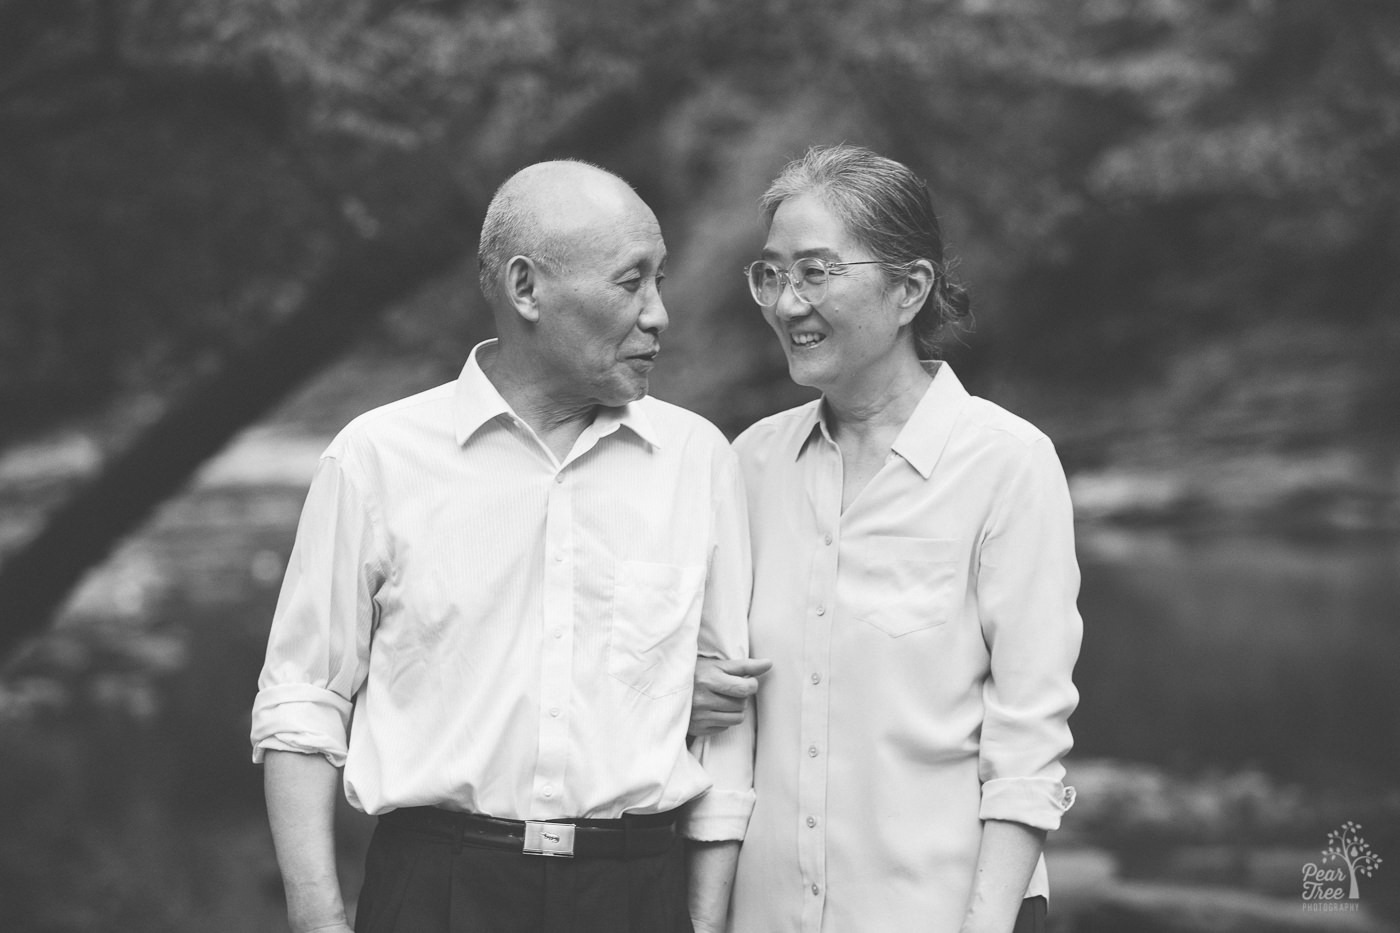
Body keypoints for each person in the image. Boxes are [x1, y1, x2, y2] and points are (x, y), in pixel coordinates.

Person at [251, 160, 754, 933]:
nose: (659, 314)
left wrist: (704, 921)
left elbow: (725, 730)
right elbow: (301, 700)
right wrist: (318, 918)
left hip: (636, 894)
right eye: (631, 282)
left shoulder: (699, 459)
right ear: (527, 289)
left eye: (660, 281)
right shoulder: (376, 457)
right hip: (436, 890)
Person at [691, 144, 1082, 933]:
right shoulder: (750, 463)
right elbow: (729, 728)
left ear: (910, 288)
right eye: (771, 274)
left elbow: (1026, 739)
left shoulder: (1006, 462)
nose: (786, 303)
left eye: (815, 271)